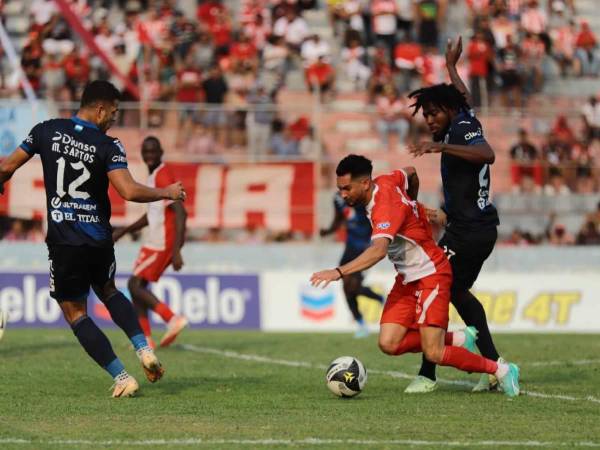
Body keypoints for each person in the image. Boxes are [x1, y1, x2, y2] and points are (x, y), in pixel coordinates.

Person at [0, 80, 187, 398]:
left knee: (75, 313)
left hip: (64, 241)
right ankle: (143, 348)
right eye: (113, 112)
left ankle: (122, 376)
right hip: (99, 238)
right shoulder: (108, 145)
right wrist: (165, 192)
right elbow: (128, 191)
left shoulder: (46, 130)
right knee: (110, 291)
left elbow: (7, 166)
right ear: (99, 109)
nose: (114, 118)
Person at [310, 155, 520, 398]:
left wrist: (338, 272)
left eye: (347, 188)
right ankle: (459, 338)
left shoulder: (384, 207)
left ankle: (502, 370)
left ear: (365, 183)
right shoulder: (387, 180)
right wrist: (414, 205)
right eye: (340, 189)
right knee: (388, 343)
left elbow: (378, 251)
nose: (343, 195)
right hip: (407, 279)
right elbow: (410, 172)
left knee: (434, 353)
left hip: (431, 274)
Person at [406, 37, 504, 394]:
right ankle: (495, 367)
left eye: (433, 113)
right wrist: (450, 67)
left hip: (470, 232)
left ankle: (428, 374)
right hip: (474, 228)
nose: (429, 119)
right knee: (456, 292)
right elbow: (463, 99)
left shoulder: (459, 131)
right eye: (426, 114)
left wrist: (441, 145)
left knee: (435, 285)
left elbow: (488, 154)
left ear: (447, 111)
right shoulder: (463, 119)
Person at [113, 136, 188, 349]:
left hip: (162, 242)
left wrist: (176, 250)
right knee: (138, 287)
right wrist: (123, 231)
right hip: (155, 240)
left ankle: (172, 318)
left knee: (133, 284)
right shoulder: (154, 176)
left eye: (153, 151)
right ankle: (146, 340)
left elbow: (180, 211)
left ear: (161, 151)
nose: (149, 155)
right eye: (146, 151)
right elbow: (151, 215)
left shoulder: (163, 174)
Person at [320, 190, 384, 338]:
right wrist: (329, 231)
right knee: (347, 288)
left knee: (352, 286)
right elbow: (339, 218)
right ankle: (362, 322)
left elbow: (375, 217)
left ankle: (377, 302)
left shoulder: (362, 196)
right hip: (350, 247)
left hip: (365, 247)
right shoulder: (337, 198)